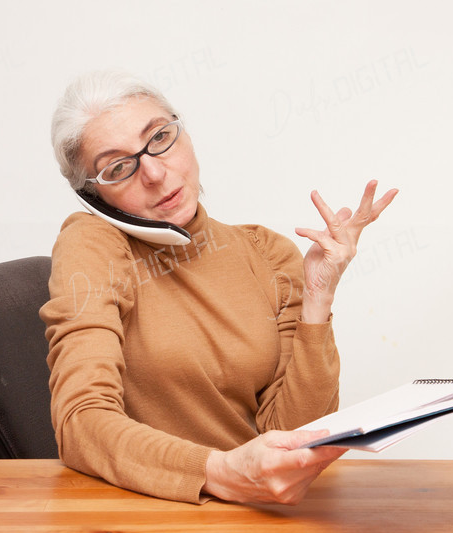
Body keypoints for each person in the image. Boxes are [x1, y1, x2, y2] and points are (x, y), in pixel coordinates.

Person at [40, 70, 398, 505]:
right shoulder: (92, 243)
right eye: (118, 168)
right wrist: (220, 471)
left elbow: (294, 442)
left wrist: (318, 301)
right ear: (95, 196)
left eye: (159, 138)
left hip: (260, 512)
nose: (153, 172)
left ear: (184, 133)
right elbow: (81, 423)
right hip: (158, 513)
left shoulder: (266, 251)